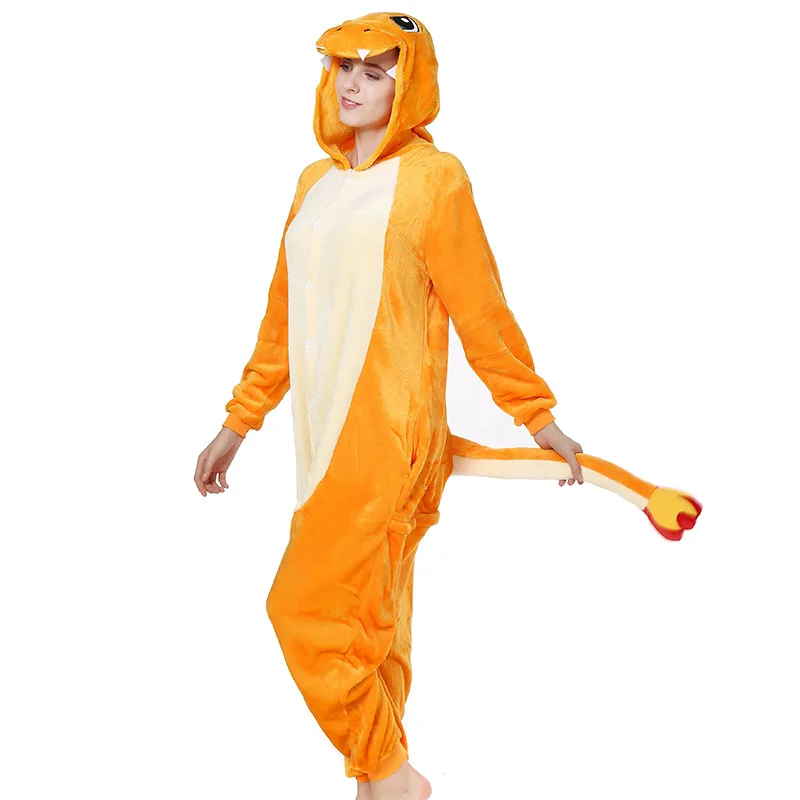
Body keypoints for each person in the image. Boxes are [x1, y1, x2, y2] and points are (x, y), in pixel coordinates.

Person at [194, 13, 583, 800]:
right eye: (344, 67)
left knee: (301, 611)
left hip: (389, 438)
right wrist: (240, 421)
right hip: (323, 435)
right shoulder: (315, 183)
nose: (353, 84)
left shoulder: (435, 180)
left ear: (409, 87)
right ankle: (379, 786)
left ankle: (393, 777)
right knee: (370, 623)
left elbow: (480, 308)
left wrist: (535, 416)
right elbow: (283, 318)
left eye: (375, 72)